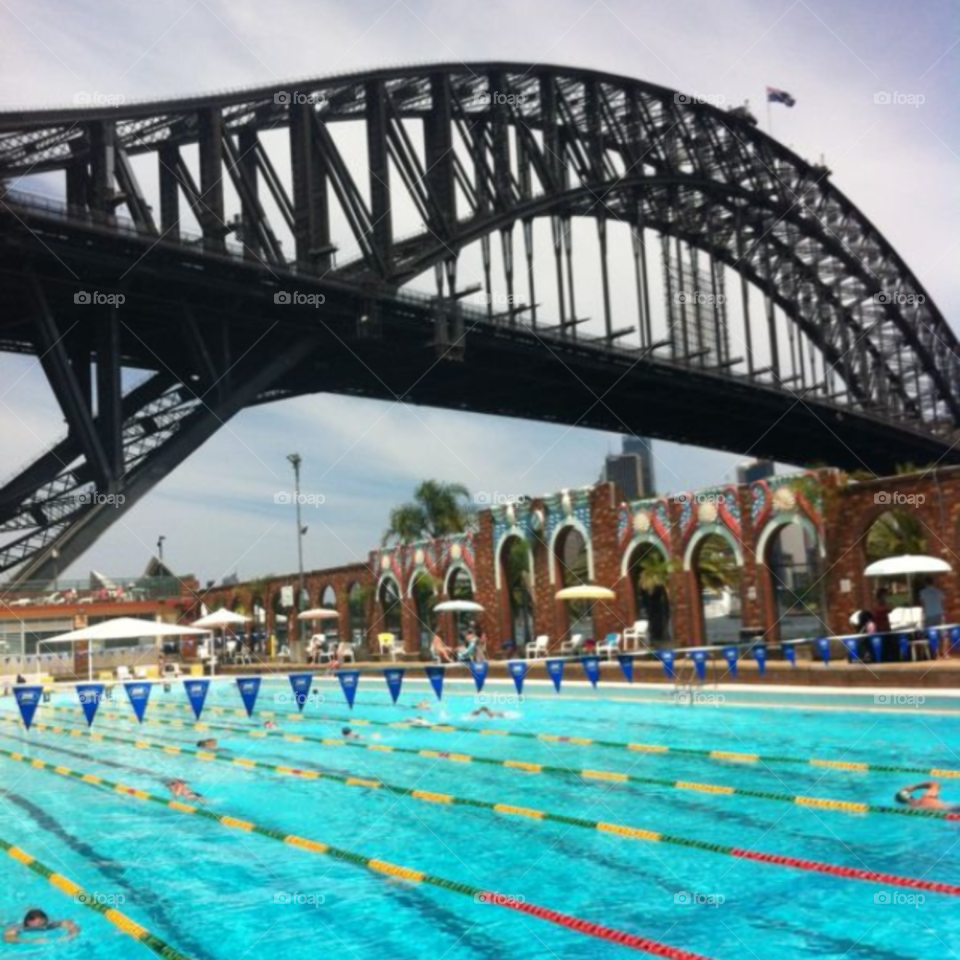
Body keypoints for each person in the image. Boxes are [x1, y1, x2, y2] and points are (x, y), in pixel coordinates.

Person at [4, 909, 79, 944]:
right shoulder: (20, 927)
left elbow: (70, 924)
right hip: (9, 922)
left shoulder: (50, 924)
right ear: (26, 921)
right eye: (32, 919)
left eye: (40, 918)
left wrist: (71, 936)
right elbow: (9, 939)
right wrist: (32, 941)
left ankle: (29, 908)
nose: (37, 921)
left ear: (45, 919)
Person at [895, 781, 960, 812]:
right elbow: (935, 784)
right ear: (911, 795)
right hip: (954, 809)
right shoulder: (926, 798)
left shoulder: (912, 810)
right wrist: (914, 787)